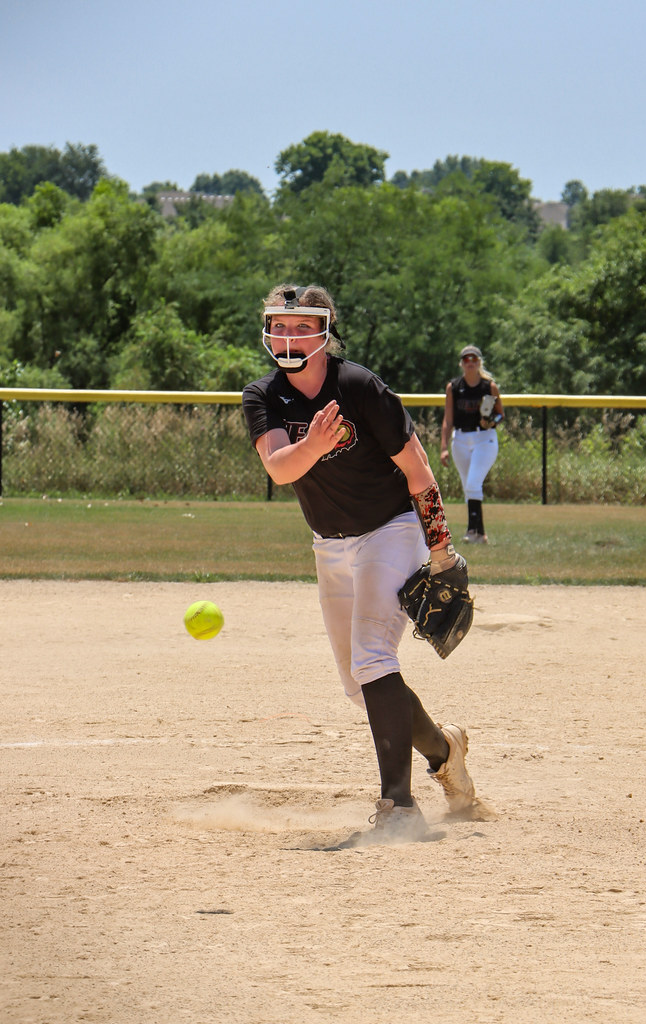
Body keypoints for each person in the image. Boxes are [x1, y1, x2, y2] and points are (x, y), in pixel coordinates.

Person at [242, 283, 476, 843]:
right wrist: (315, 446)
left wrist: (440, 548)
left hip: (391, 531)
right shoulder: (263, 396)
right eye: (280, 325)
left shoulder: (358, 386)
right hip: (331, 546)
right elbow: (279, 469)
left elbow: (419, 470)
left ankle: (399, 809)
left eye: (302, 326)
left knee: (374, 659)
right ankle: (446, 750)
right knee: (359, 683)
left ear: (325, 330)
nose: (289, 336)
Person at [440, 344, 504, 544]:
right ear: (461, 363)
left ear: (479, 362)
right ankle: (480, 534)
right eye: (466, 359)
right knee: (469, 487)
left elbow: (501, 414)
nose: (470, 363)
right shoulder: (454, 387)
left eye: (474, 359)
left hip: (484, 439)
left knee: (473, 483)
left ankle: (471, 531)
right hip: (460, 439)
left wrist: (492, 421)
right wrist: (443, 447)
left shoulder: (489, 386)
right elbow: (448, 420)